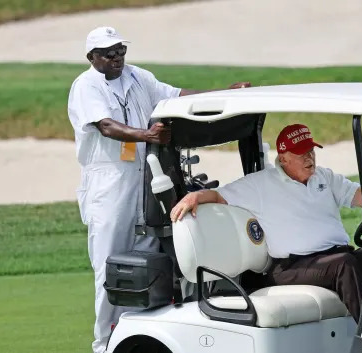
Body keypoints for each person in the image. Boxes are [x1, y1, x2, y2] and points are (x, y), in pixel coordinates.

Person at [67, 26, 250, 353]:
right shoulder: (85, 86)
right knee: (110, 266)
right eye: (108, 53)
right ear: (91, 57)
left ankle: (138, 332)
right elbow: (106, 126)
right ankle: (103, 344)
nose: (116, 58)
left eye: (120, 50)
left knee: (149, 255)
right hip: (108, 184)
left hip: (144, 178)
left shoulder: (137, 76)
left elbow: (176, 95)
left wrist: (226, 93)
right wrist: (147, 136)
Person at [170, 124, 362, 321]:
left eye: (311, 151)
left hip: (334, 257)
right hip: (291, 267)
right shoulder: (260, 184)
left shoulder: (324, 177)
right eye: (301, 153)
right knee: (345, 267)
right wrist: (193, 197)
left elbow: (359, 195)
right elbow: (218, 196)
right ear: (283, 159)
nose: (309, 157)